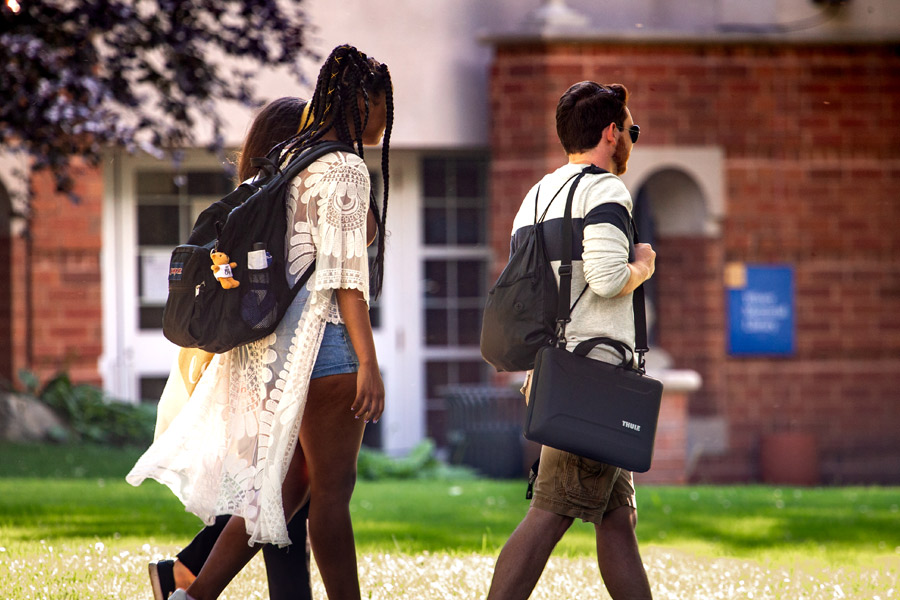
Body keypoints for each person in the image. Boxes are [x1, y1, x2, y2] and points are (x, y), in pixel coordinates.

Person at [127, 44, 394, 600]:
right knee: (330, 497)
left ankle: (190, 596)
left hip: (275, 350)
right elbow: (346, 277)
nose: (387, 119)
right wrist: (367, 361)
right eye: (382, 104)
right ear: (360, 102)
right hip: (329, 350)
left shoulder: (293, 158)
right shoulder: (343, 166)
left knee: (279, 492)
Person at [147, 96, 327, 600]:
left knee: (281, 485)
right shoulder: (281, 199)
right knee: (285, 485)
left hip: (245, 359)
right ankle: (189, 575)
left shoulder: (249, 198)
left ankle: (184, 571)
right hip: (276, 361)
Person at [486, 82, 656, 600]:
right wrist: (643, 265)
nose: (631, 138)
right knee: (549, 513)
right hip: (594, 377)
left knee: (617, 519)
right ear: (611, 132)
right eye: (631, 129)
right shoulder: (605, 190)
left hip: (559, 373)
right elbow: (606, 278)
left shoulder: (538, 195)